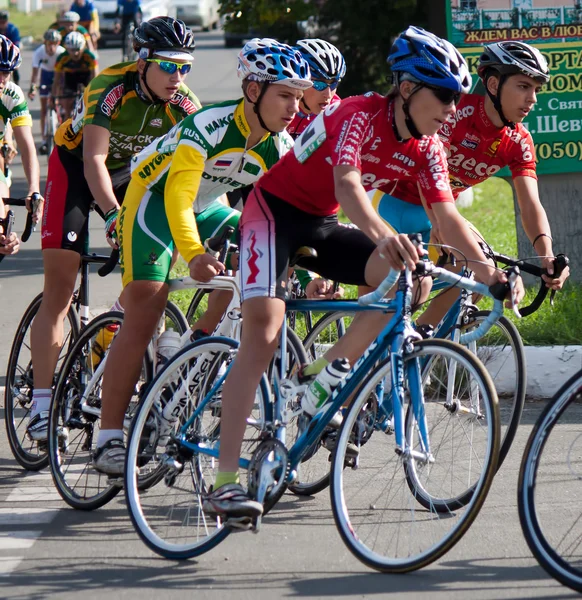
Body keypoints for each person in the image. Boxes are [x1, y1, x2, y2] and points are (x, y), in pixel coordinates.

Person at [201, 26, 521, 520]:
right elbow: (349, 187)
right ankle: (224, 482)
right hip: (273, 212)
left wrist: (490, 274)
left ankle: (320, 376)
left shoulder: (429, 147)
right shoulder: (358, 115)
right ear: (409, 89)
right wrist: (382, 235)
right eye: (444, 96)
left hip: (322, 224)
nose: (453, 109)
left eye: (459, 99)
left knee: (408, 280)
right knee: (262, 336)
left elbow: (447, 218)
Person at [91, 38, 312, 476]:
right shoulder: (208, 125)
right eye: (285, 94)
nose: (294, 107)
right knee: (146, 304)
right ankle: (109, 435)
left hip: (208, 204)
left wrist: (307, 266)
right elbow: (177, 195)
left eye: (300, 96)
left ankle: (193, 349)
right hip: (153, 201)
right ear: (253, 90)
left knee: (255, 269)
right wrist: (192, 254)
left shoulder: (280, 145)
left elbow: (290, 215)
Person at [27, 17, 201, 443]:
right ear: (142, 62)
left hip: (133, 177)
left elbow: (194, 169)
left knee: (152, 270)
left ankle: (119, 337)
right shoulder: (110, 88)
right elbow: (94, 162)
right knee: (62, 284)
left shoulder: (184, 103)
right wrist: (112, 215)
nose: (177, 77)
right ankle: (41, 404)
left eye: (185, 67)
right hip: (78, 167)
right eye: (168, 66)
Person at [370, 39, 569, 330]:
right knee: (459, 271)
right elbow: (428, 169)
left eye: (536, 90)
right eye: (523, 87)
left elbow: (530, 204)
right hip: (392, 200)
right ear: (492, 84)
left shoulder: (519, 141)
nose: (532, 99)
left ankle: (423, 343)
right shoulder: (455, 111)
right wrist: (439, 219)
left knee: (479, 274)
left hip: (436, 211)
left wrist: (547, 255)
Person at [0, 35, 43, 225]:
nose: (1, 79)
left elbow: (27, 148)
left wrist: (34, 188)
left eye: (6, 73)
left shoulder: (12, 93)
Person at [287, 38, 345, 139]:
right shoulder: (281, 106)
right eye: (319, 84)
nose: (328, 95)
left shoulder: (337, 113)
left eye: (333, 84)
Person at [29, 29, 66, 155]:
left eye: (54, 44)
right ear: (45, 43)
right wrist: (33, 87)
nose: (51, 47)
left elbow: (66, 73)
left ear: (58, 43)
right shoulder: (38, 53)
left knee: (63, 104)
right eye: (49, 44)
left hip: (59, 74)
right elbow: (35, 73)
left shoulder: (62, 52)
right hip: (46, 74)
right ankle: (45, 140)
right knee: (44, 108)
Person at [52, 31, 98, 118]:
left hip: (86, 76)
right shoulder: (62, 58)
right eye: (72, 50)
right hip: (70, 77)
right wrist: (54, 96)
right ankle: (67, 120)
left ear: (83, 47)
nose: (75, 53)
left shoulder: (90, 57)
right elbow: (56, 80)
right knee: (67, 103)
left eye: (78, 49)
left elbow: (95, 78)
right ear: (67, 48)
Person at [0, 11, 20, 85]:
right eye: (0, 22)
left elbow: (16, 45)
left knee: (14, 66)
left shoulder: (13, 29)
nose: (2, 24)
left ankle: (17, 84)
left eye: (4, 22)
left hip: (9, 51)